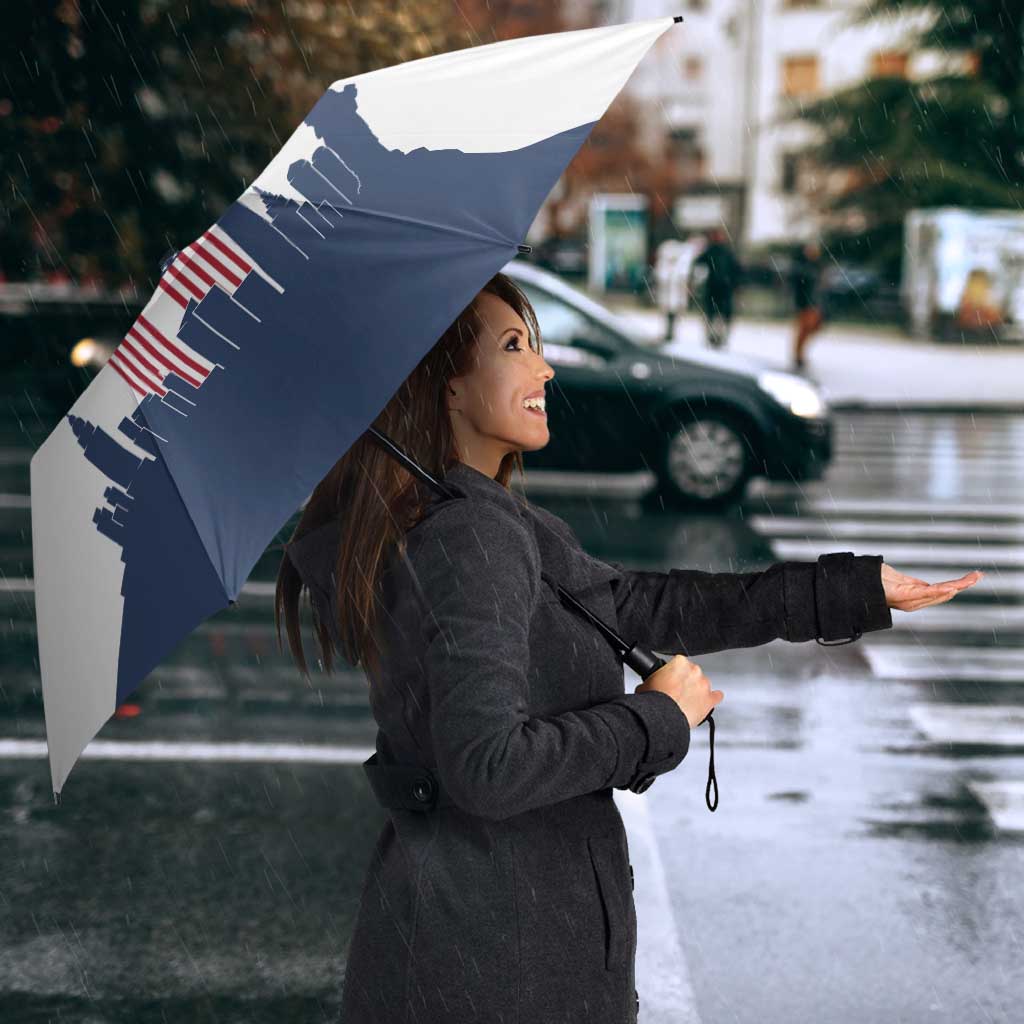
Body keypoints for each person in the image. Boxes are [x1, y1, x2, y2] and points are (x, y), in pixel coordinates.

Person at [276, 272, 981, 1024]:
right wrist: (655, 719)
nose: (545, 368)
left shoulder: (472, 519)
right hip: (499, 962)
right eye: (514, 347)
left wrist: (849, 590)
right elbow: (488, 767)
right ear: (446, 385)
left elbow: (640, 606)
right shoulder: (471, 536)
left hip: (475, 942)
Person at [692, 226, 742, 349]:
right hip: (716, 288)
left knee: (719, 315)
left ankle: (719, 337)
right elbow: (698, 263)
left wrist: (735, 284)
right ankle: (713, 337)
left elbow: (736, 270)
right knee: (714, 314)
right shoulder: (714, 251)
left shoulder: (724, 252)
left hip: (722, 289)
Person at [790, 239, 826, 370]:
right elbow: (799, 286)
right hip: (805, 303)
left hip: (814, 303)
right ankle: (798, 355)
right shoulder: (802, 267)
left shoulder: (816, 266)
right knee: (804, 329)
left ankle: (799, 354)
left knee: (812, 327)